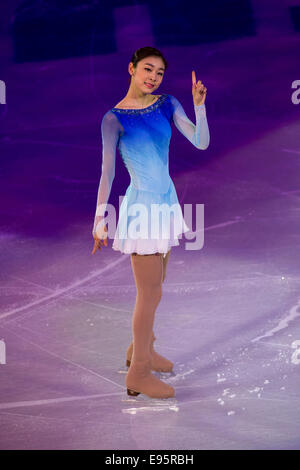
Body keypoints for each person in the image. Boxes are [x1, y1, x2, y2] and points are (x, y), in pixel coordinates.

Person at [91, 47, 210, 399]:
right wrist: (100, 217)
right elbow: (107, 172)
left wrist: (198, 105)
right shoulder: (113, 119)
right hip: (142, 209)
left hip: (165, 203)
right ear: (131, 68)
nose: (152, 77)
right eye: (147, 69)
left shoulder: (167, 103)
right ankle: (138, 373)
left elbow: (201, 142)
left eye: (159, 72)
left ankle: (141, 349)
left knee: (157, 287)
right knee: (150, 293)